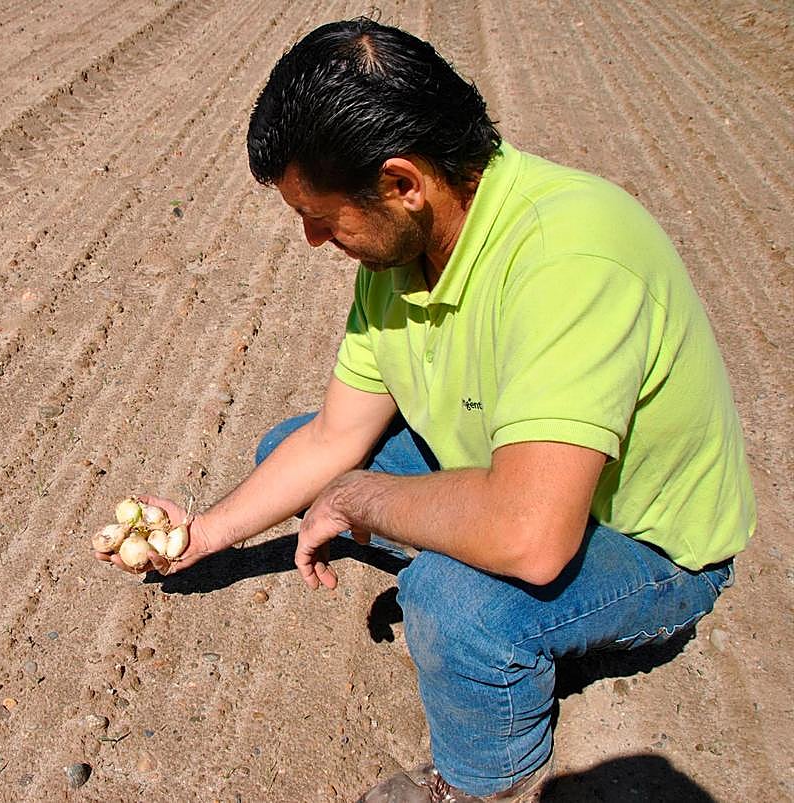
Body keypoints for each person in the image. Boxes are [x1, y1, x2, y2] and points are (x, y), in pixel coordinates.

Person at [94, 17, 755, 803]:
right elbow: (335, 435)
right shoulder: (400, 258)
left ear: (403, 183)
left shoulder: (570, 257)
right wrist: (201, 533)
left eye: (322, 216)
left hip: (646, 547)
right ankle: (488, 586)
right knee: (291, 454)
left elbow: (533, 535)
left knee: (452, 598)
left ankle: (485, 780)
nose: (311, 239)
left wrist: (363, 498)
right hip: (507, 474)